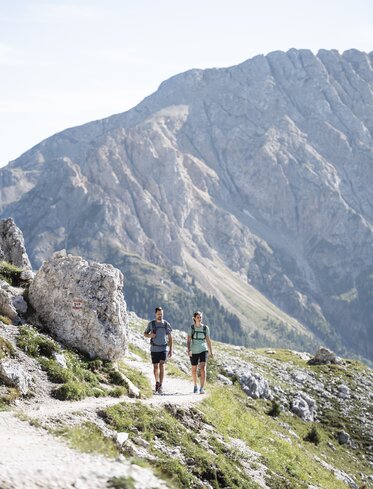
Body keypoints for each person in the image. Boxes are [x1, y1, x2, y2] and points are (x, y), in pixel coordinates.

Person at [144, 306, 173, 394]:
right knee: (155, 367)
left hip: (163, 348)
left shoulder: (165, 324)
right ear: (155, 314)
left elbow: (170, 337)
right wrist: (150, 336)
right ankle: (156, 382)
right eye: (158, 314)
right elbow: (145, 333)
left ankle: (160, 385)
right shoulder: (151, 324)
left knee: (162, 365)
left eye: (161, 314)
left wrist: (171, 350)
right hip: (154, 348)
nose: (160, 316)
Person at [187, 311, 213, 394]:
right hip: (194, 350)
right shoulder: (191, 328)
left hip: (203, 349)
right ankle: (195, 385)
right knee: (194, 369)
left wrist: (210, 351)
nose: (199, 319)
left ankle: (202, 388)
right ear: (194, 318)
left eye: (200, 317)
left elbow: (208, 340)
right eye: (198, 317)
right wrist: (188, 349)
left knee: (203, 367)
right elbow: (188, 340)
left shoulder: (205, 328)